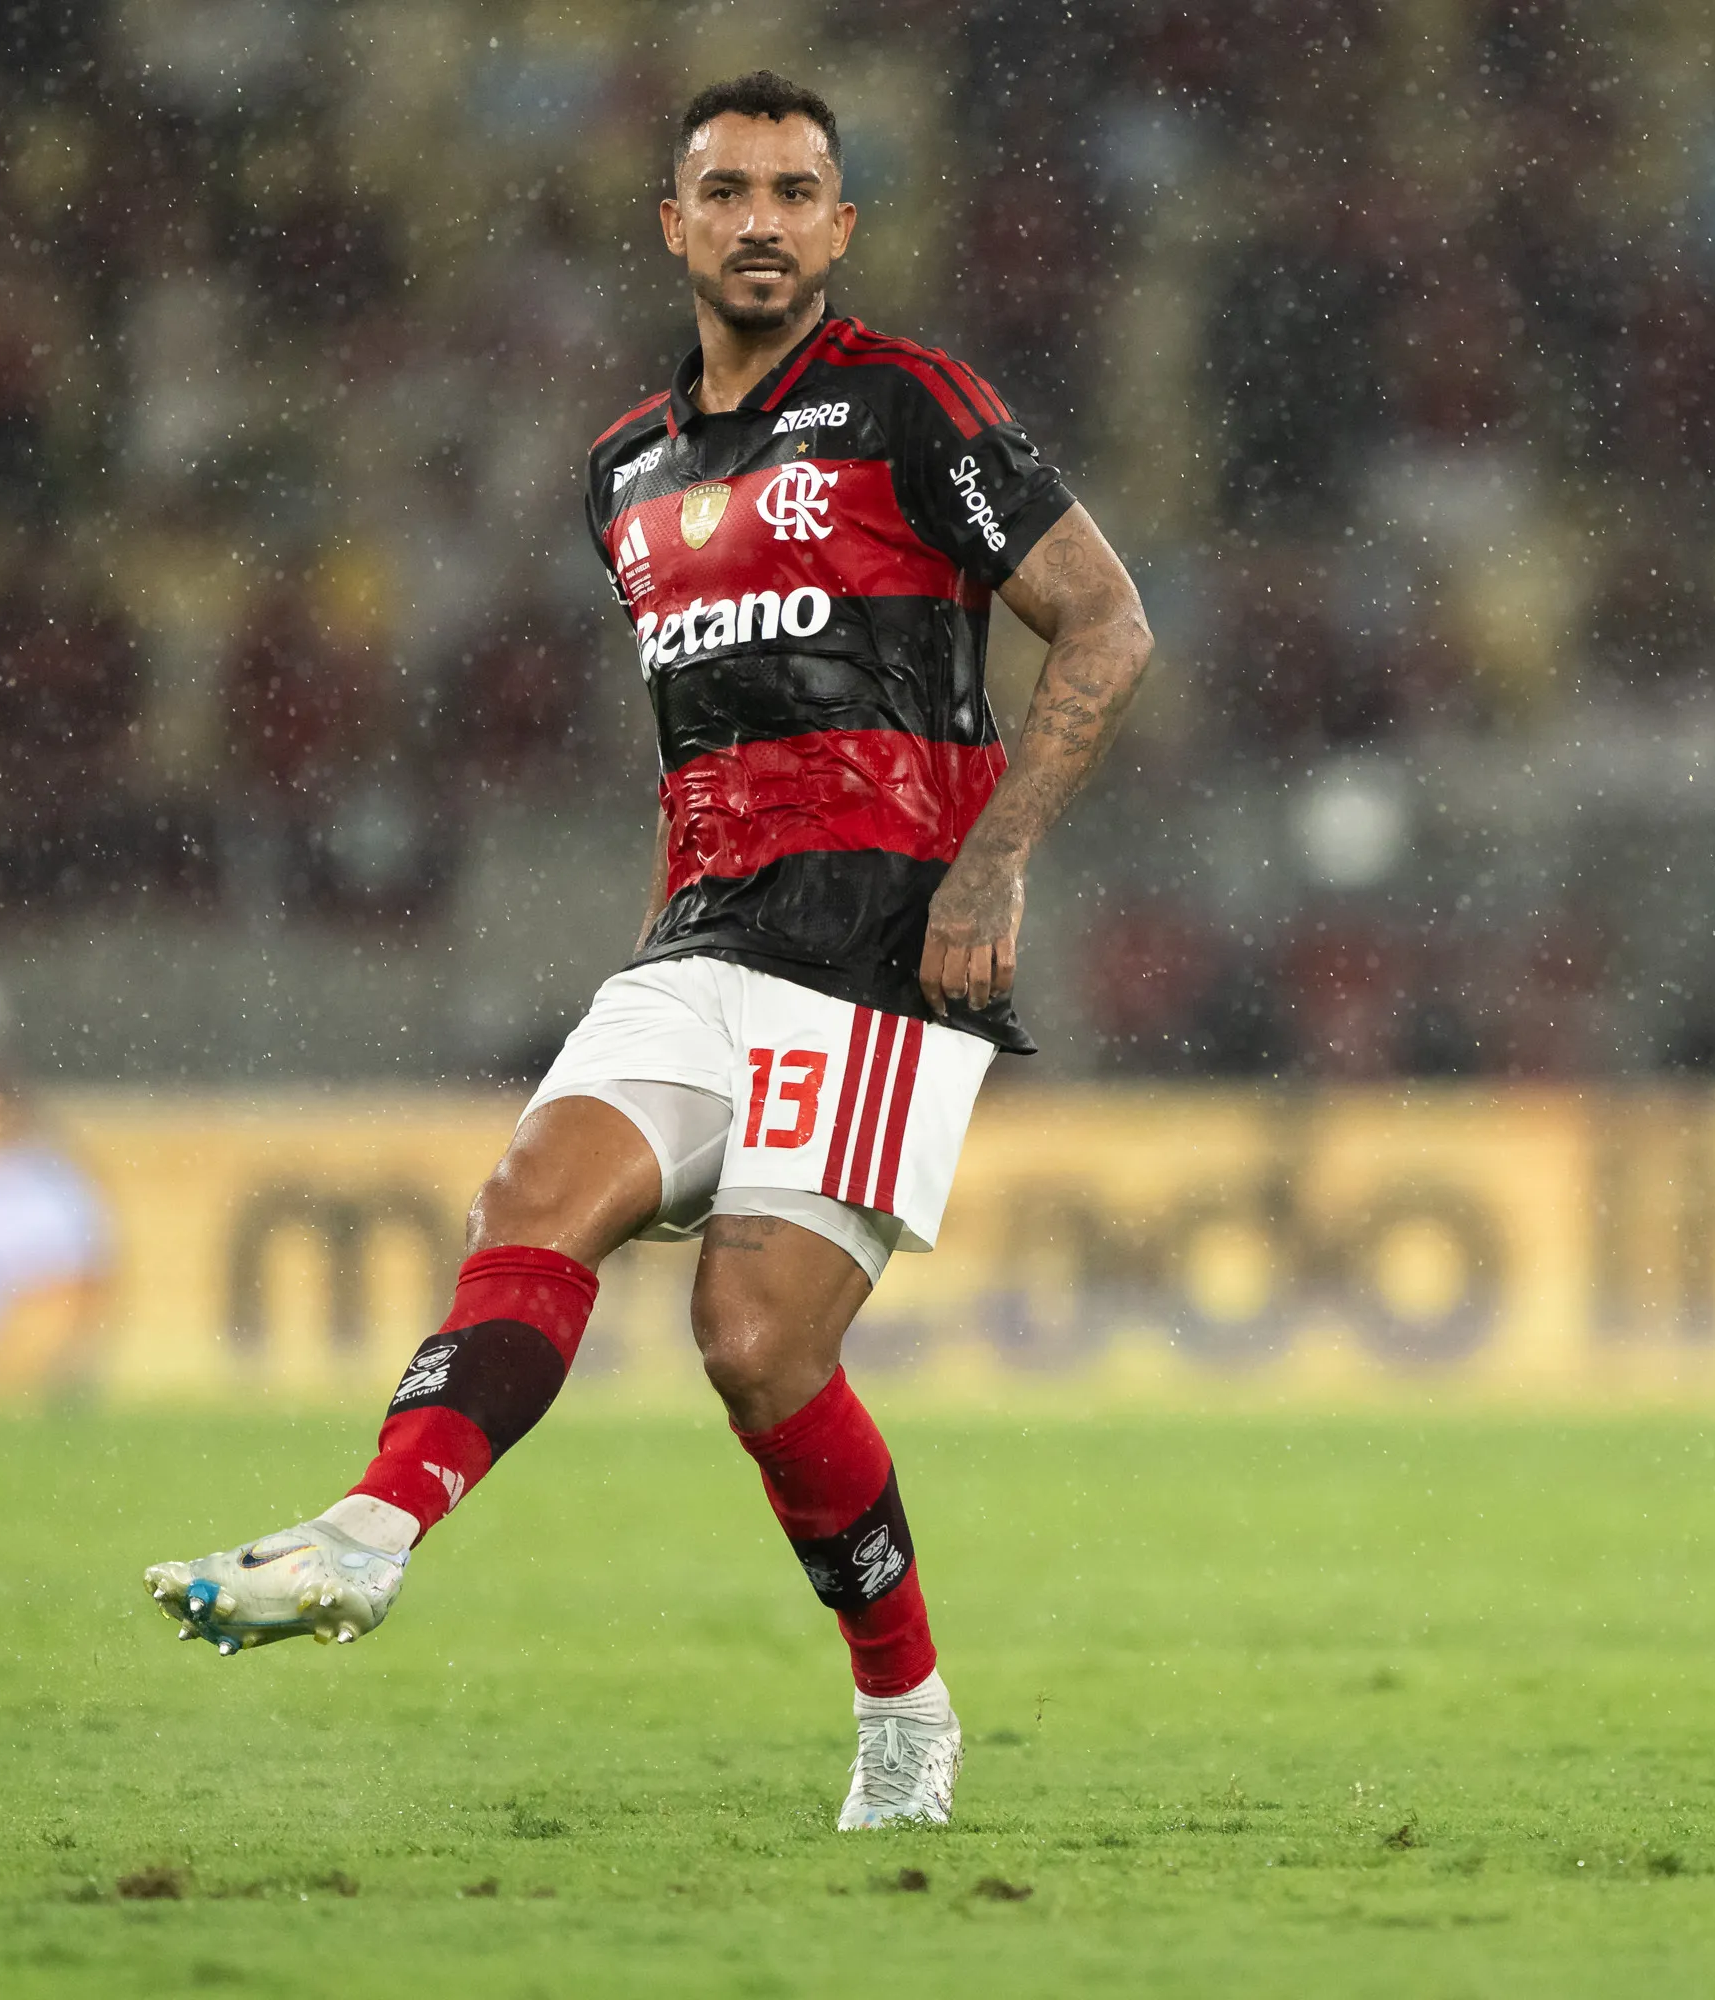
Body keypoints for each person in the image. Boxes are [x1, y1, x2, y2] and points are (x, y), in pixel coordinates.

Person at [146, 70, 1154, 1831]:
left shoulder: (915, 411)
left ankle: (905, 1713)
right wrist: (646, 948)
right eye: (727, 190)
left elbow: (1110, 624)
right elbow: (702, 740)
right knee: (537, 1183)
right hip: (698, 940)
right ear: (671, 228)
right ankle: (369, 1536)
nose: (760, 218)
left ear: (842, 227)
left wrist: (992, 878)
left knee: (754, 1342)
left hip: (886, 953)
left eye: (795, 191)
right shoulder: (626, 469)